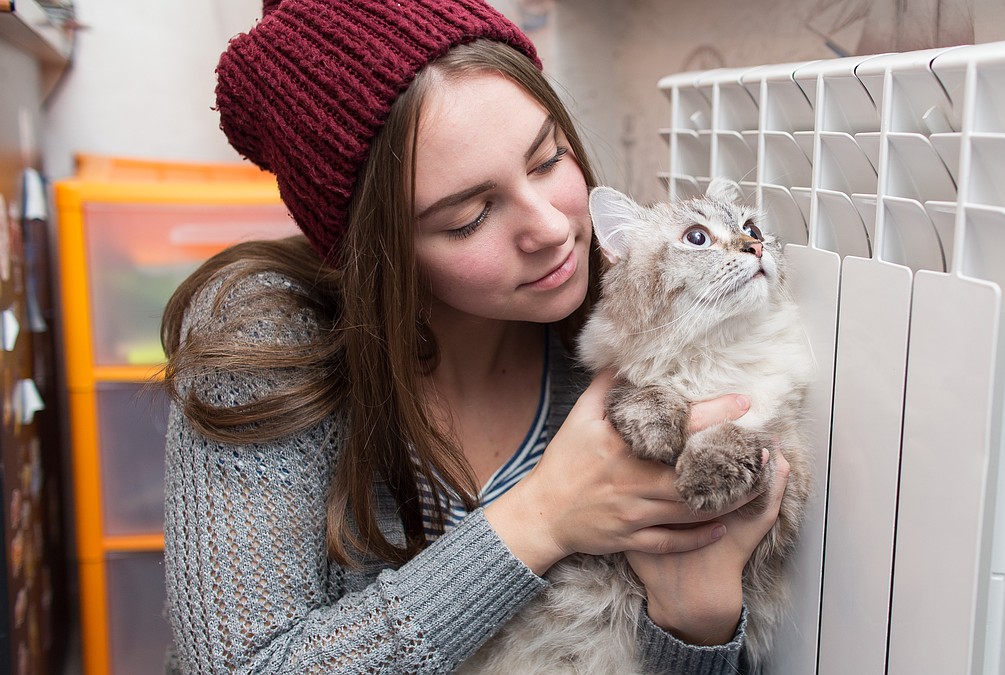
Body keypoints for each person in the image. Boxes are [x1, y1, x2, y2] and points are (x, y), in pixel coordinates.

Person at [160, 0, 790, 672]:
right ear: (380, 254)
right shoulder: (263, 339)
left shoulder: (622, 326)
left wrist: (695, 622)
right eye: (468, 216)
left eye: (549, 158)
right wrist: (541, 516)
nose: (550, 227)